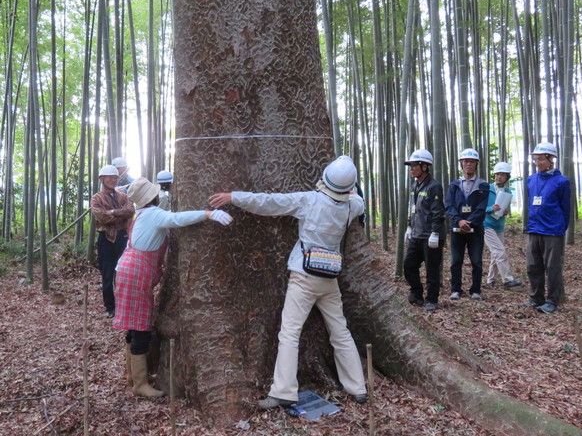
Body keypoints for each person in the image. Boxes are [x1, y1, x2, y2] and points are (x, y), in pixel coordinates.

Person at [209, 156, 368, 409]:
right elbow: (357, 198)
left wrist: (234, 196)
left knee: (290, 333)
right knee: (340, 331)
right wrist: (350, 189)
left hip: (304, 276)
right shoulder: (353, 207)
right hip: (329, 278)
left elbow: (269, 202)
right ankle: (357, 387)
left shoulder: (309, 200)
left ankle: (283, 391)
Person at [114, 177, 233, 397]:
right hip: (136, 273)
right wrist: (208, 214)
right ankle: (139, 384)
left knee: (134, 324)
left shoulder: (141, 214)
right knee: (140, 326)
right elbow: (178, 219)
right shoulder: (153, 214)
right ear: (153, 197)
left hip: (127, 270)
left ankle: (133, 376)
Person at [524, 142, 571, 314]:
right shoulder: (531, 180)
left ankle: (552, 300)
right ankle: (536, 298)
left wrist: (560, 228)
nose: (537, 162)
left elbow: (566, 209)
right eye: (535, 159)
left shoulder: (562, 182)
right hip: (534, 229)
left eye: (540, 159)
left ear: (551, 160)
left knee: (553, 268)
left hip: (552, 231)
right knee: (533, 265)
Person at [403, 149, 446, 312]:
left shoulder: (434, 187)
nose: (412, 168)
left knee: (432, 269)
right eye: (411, 165)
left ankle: (432, 299)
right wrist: (409, 225)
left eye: (414, 165)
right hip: (416, 234)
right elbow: (412, 208)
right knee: (409, 265)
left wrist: (435, 232)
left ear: (425, 167)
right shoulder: (415, 185)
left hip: (430, 236)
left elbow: (438, 211)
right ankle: (416, 293)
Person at [90, 165, 135, 318]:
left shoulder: (123, 196)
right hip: (107, 239)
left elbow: (131, 211)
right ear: (101, 179)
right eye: (109, 177)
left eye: (115, 178)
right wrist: (120, 216)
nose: (113, 180)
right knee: (107, 273)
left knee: (123, 272)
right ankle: (110, 307)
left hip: (122, 237)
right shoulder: (96, 198)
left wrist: (113, 212)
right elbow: (101, 216)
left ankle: (123, 303)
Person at [445, 148, 489, 301]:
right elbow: (449, 206)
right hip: (457, 228)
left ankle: (475, 290)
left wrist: (469, 222)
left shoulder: (483, 185)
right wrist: (459, 220)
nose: (469, 164)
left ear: (476, 164)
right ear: (461, 164)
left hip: (475, 229)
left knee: (476, 261)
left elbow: (481, 208)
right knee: (456, 261)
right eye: (466, 161)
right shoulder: (454, 185)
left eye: (472, 162)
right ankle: (456, 289)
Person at [484, 162, 522, 289]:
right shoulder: (486, 188)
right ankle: (507, 280)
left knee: (496, 253)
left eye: (503, 175)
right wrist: (491, 208)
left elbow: (506, 208)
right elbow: (479, 208)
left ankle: (490, 280)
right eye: (497, 174)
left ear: (507, 177)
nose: (499, 177)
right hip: (487, 225)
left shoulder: (507, 191)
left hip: (499, 225)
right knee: (500, 252)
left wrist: (506, 212)